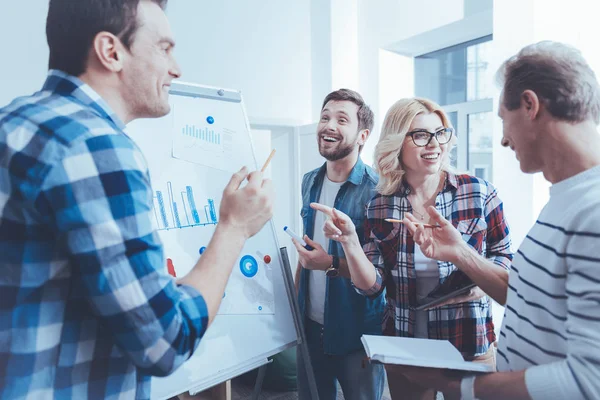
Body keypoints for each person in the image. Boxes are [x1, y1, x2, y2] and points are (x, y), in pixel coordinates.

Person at [0, 1, 273, 398]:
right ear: (111, 51)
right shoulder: (96, 147)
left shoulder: (14, 122)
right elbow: (165, 342)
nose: (176, 68)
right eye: (164, 48)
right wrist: (234, 227)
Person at [393, 41, 600, 399]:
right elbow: (524, 296)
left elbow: (588, 381)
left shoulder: (593, 211)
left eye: (504, 120)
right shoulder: (566, 198)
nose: (504, 139)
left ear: (530, 105)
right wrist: (461, 252)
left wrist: (460, 386)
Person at [311, 97, 513, 399]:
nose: (434, 144)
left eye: (440, 133)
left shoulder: (478, 192)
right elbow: (372, 286)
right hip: (406, 344)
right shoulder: (380, 205)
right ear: (397, 143)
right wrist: (350, 242)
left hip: (468, 340)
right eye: (420, 135)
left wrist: (476, 276)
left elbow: (505, 258)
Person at [293, 89, 385, 400]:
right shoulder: (309, 181)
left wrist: (330, 264)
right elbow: (307, 251)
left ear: (363, 135)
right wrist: (294, 307)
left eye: (341, 119)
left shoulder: (378, 191)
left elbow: (379, 276)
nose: (329, 125)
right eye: (325, 116)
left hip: (356, 333)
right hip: (309, 325)